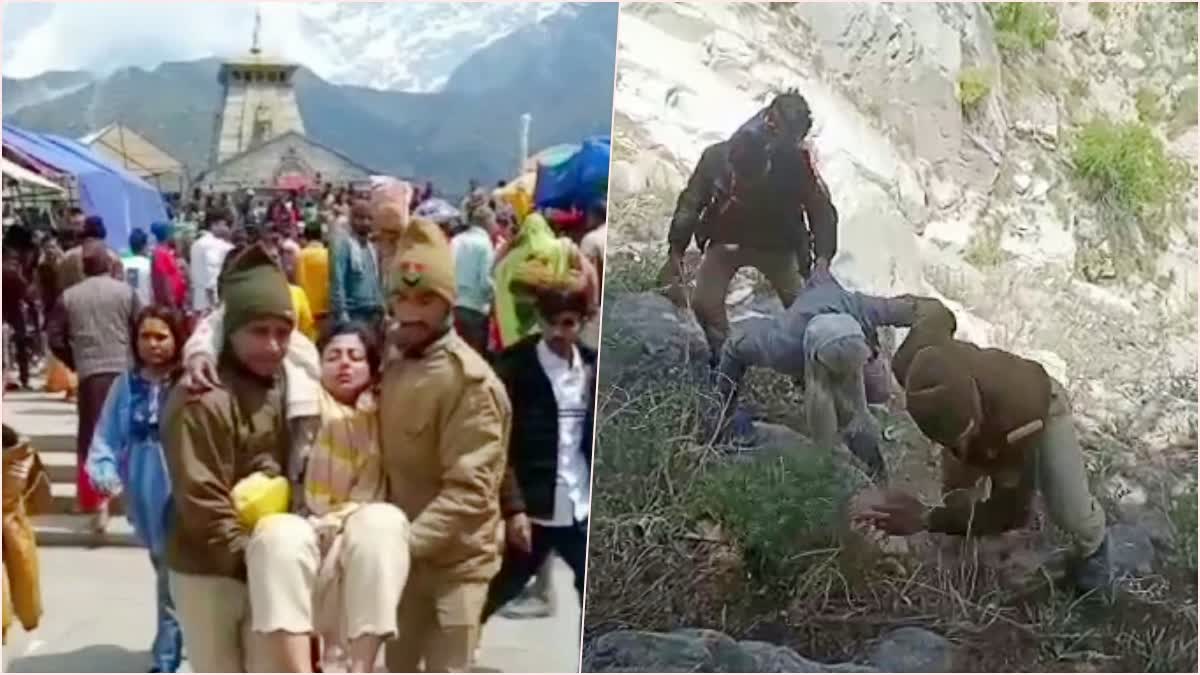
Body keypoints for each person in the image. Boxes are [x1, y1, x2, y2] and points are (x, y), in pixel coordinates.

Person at [852, 301, 1112, 594]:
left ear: (975, 412)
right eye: (948, 442)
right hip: (988, 418)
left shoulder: (1017, 419)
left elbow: (1011, 512)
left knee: (1071, 511)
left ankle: (1095, 554)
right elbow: (933, 311)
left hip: (1042, 407)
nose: (960, 449)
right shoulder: (911, 360)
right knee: (957, 494)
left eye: (965, 435)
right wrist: (885, 308)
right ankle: (969, 567)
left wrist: (924, 518)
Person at [379, 219, 511, 673]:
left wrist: (399, 545)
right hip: (404, 565)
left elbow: (469, 492)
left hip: (455, 566)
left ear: (448, 303)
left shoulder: (469, 383)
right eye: (402, 298)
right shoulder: (394, 364)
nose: (411, 311)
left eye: (425, 300)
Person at [242, 321, 410, 673]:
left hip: (360, 531)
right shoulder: (301, 401)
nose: (344, 364)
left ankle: (359, 667)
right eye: (333, 356)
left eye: (355, 356)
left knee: (383, 522)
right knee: (275, 536)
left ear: (373, 365)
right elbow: (283, 333)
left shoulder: (389, 408)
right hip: (307, 522)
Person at [161, 244, 295, 673]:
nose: (273, 346)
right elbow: (202, 501)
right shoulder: (203, 397)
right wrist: (259, 560)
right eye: (259, 331)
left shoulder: (287, 386)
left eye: (282, 331)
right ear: (231, 329)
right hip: (211, 573)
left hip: (265, 565)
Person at [657, 90, 839, 365]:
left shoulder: (795, 165)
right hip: (727, 237)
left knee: (808, 311)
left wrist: (823, 260)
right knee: (705, 305)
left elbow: (822, 212)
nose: (747, 187)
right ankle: (725, 357)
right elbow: (691, 202)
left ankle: (806, 367)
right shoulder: (717, 158)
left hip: (779, 244)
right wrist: (675, 251)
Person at [713, 265, 944, 479]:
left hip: (848, 351)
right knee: (846, 415)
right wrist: (724, 411)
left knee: (860, 406)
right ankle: (857, 468)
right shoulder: (783, 344)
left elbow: (932, 312)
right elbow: (734, 347)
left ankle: (873, 473)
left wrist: (916, 362)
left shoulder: (862, 309)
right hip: (820, 354)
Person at [483, 282, 595, 625]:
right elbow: (499, 443)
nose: (558, 332)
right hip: (534, 508)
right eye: (551, 323)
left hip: (580, 505)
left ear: (581, 321)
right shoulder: (514, 368)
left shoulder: (592, 367)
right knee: (498, 588)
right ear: (539, 320)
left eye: (568, 323)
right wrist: (513, 507)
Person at [85, 306, 187, 673]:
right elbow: (107, 433)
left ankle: (166, 658)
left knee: (170, 574)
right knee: (163, 566)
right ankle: (182, 637)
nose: (153, 344)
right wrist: (105, 472)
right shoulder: (126, 384)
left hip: (182, 483)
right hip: (144, 485)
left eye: (161, 336)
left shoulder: (189, 380)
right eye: (145, 336)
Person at [47, 241, 141, 533]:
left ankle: (97, 502)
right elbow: (142, 327)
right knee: (126, 436)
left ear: (84, 267)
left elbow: (54, 338)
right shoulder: (126, 292)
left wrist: (75, 361)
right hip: (123, 372)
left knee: (92, 438)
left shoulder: (69, 297)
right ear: (109, 265)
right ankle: (127, 499)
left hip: (90, 375)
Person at [329, 201, 384, 336]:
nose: (365, 222)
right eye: (361, 218)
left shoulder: (372, 249)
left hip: (372, 314)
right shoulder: (344, 246)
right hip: (352, 314)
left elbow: (377, 281)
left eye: (369, 218)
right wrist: (342, 313)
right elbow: (337, 280)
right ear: (352, 220)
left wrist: (381, 307)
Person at [451, 206, 497, 356]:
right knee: (475, 358)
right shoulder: (484, 244)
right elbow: (485, 281)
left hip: (454, 305)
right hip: (476, 309)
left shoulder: (456, 240)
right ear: (488, 223)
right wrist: (495, 297)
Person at [58, 215, 124, 293]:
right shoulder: (112, 256)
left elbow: (62, 288)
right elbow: (120, 285)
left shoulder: (68, 257)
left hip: (77, 302)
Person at [189, 212, 235, 317]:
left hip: (198, 301)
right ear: (214, 225)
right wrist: (215, 303)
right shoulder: (215, 246)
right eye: (225, 225)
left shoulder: (197, 243)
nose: (228, 229)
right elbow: (211, 276)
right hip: (210, 304)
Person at [3, 244, 34, 390]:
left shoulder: (13, 274)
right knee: (20, 345)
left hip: (12, 312)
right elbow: (27, 293)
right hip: (14, 312)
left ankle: (20, 378)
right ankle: (24, 379)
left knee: (19, 345)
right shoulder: (15, 274)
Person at [295, 221, 331, 333]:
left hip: (309, 310)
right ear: (321, 235)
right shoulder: (328, 254)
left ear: (306, 236)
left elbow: (299, 282)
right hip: (327, 309)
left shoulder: (301, 256)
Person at [150, 222, 187, 312]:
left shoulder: (165, 251)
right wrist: (172, 305)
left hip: (175, 304)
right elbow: (164, 279)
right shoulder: (161, 253)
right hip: (170, 306)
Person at [122, 229, 154, 306]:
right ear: (144, 245)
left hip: (129, 311)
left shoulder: (123, 264)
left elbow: (132, 288)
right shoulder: (149, 265)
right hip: (147, 310)